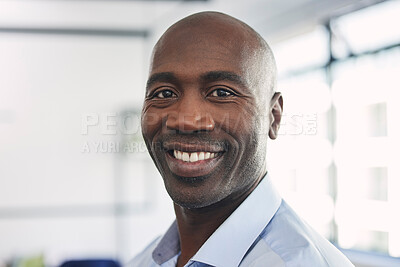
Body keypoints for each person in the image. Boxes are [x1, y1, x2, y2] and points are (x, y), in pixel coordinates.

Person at [130, 11, 354, 267]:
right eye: (164, 93)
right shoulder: (146, 259)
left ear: (273, 117)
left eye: (221, 92)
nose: (186, 120)